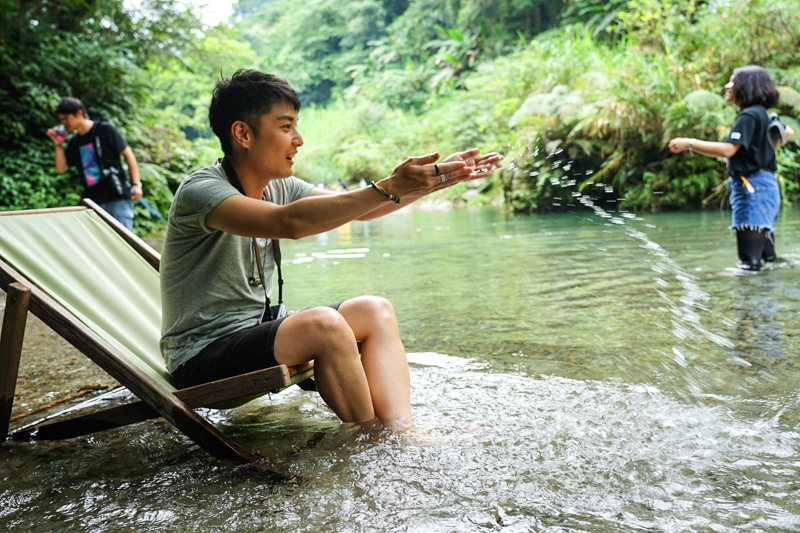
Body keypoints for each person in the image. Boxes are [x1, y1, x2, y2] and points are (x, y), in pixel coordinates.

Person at [159, 69, 503, 430]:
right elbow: (289, 224)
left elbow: (364, 208)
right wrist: (389, 185)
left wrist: (432, 181)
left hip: (255, 331)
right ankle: (371, 440)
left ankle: (401, 435)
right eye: (286, 127)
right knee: (324, 325)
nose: (299, 139)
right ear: (243, 133)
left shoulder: (280, 186)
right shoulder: (202, 192)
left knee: (375, 310)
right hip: (202, 356)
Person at [669, 66, 794, 271]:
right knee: (768, 259)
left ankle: (748, 302)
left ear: (747, 86)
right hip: (768, 189)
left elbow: (728, 149)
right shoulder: (762, 114)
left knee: (748, 264)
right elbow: (787, 132)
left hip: (751, 189)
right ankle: (771, 297)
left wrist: (688, 143)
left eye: (732, 81)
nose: (727, 85)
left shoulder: (748, 115)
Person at [46, 97, 143, 230]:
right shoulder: (74, 142)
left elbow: (128, 154)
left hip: (117, 197)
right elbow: (61, 168)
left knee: (123, 243)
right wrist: (59, 145)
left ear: (79, 113)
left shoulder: (104, 129)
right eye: (61, 119)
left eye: (66, 118)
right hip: (93, 202)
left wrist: (136, 184)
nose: (64, 122)